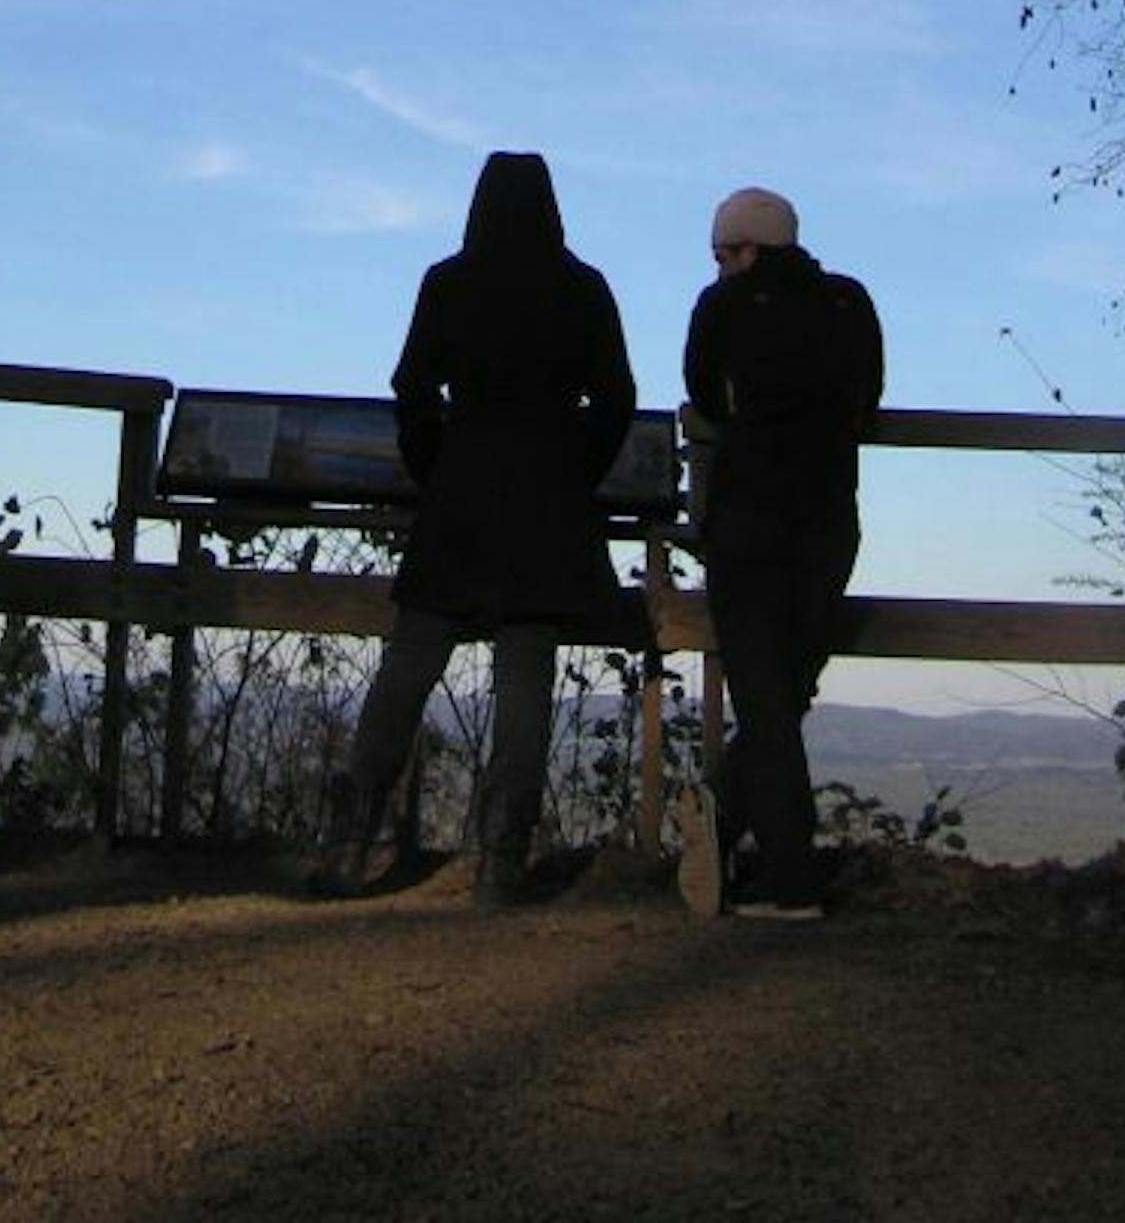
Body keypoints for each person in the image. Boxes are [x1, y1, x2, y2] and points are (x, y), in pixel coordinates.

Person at [319, 148, 636, 905]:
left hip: (460, 496)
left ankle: (349, 845)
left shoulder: (449, 282)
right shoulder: (582, 288)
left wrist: (436, 466)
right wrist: (575, 471)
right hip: (547, 503)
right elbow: (616, 396)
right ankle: (502, 859)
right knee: (525, 676)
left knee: (408, 665)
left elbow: (413, 386)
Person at [680, 184, 884, 920]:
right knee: (785, 694)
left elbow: (701, 392)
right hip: (830, 522)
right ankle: (716, 828)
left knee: (766, 702)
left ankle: (790, 881)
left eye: (725, 252)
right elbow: (871, 397)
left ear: (751, 247)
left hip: (749, 522)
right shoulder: (849, 302)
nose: (720, 267)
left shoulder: (722, 307)